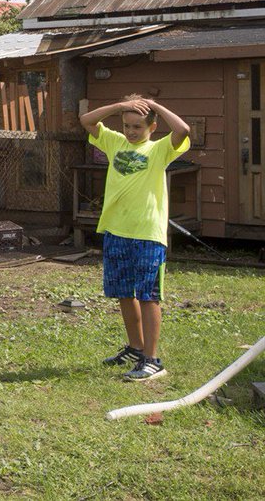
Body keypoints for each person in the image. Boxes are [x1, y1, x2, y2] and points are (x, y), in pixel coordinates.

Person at [80, 95, 190, 382]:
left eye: (138, 126)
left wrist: (156, 105)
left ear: (152, 127)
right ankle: (135, 348)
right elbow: (87, 121)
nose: (131, 131)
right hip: (116, 230)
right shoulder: (114, 142)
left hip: (147, 235)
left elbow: (183, 131)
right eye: (127, 125)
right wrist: (119, 107)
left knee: (148, 296)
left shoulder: (159, 150)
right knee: (124, 293)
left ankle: (153, 361)